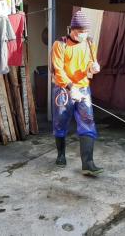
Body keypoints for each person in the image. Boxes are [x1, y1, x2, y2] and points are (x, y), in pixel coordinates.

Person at [50, 10, 103, 176]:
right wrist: (70, 87)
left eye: (86, 31)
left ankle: (88, 162)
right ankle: (60, 154)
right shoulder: (60, 44)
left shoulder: (89, 42)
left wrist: (93, 67)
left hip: (83, 87)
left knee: (88, 121)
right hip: (63, 89)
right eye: (80, 32)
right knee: (60, 122)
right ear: (71, 29)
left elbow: (90, 62)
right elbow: (57, 69)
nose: (83, 34)